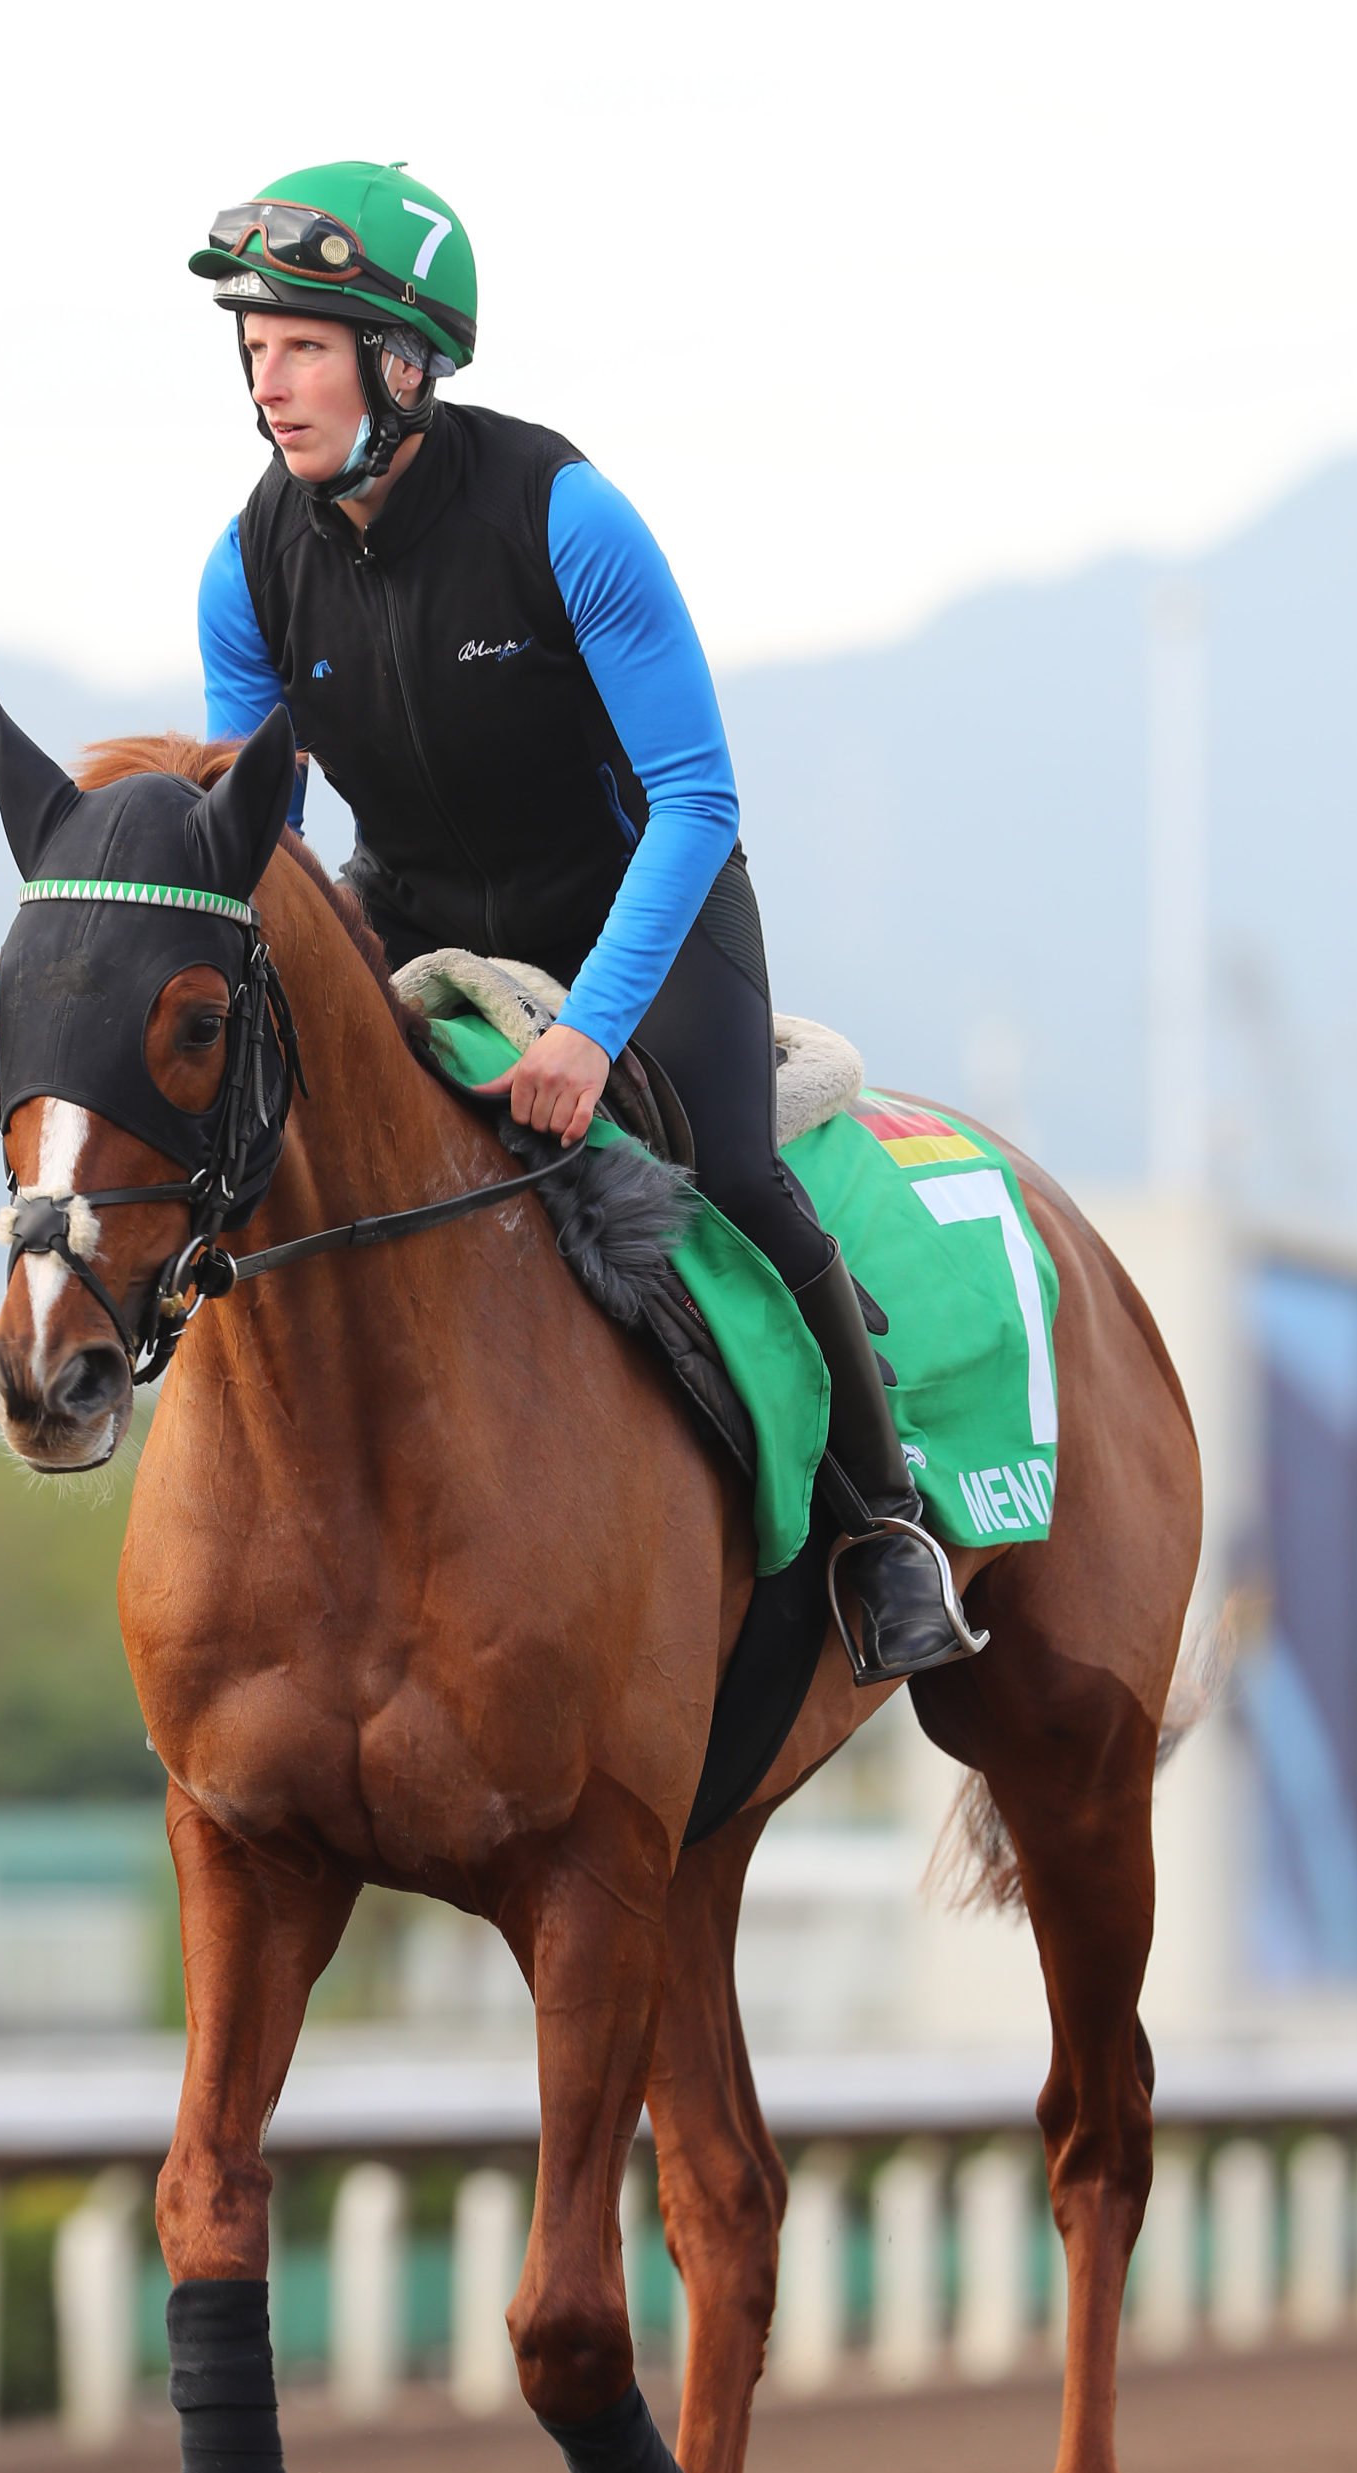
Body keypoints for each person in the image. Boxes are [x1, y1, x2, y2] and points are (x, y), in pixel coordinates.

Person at [189, 163, 980, 1684]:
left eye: (302, 346)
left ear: (403, 360)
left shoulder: (565, 514)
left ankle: (888, 1530)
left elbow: (697, 798)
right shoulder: (247, 564)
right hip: (408, 909)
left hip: (640, 901)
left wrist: (591, 1034)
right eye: (253, 347)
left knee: (736, 1171)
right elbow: (260, 847)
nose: (267, 383)